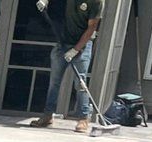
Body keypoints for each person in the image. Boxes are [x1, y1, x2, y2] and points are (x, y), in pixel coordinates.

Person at [34, 0, 101, 133]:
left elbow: (92, 28)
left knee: (80, 84)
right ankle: (48, 115)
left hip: (82, 45)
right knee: (54, 82)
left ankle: (83, 118)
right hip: (62, 41)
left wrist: (76, 49)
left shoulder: (97, 2)